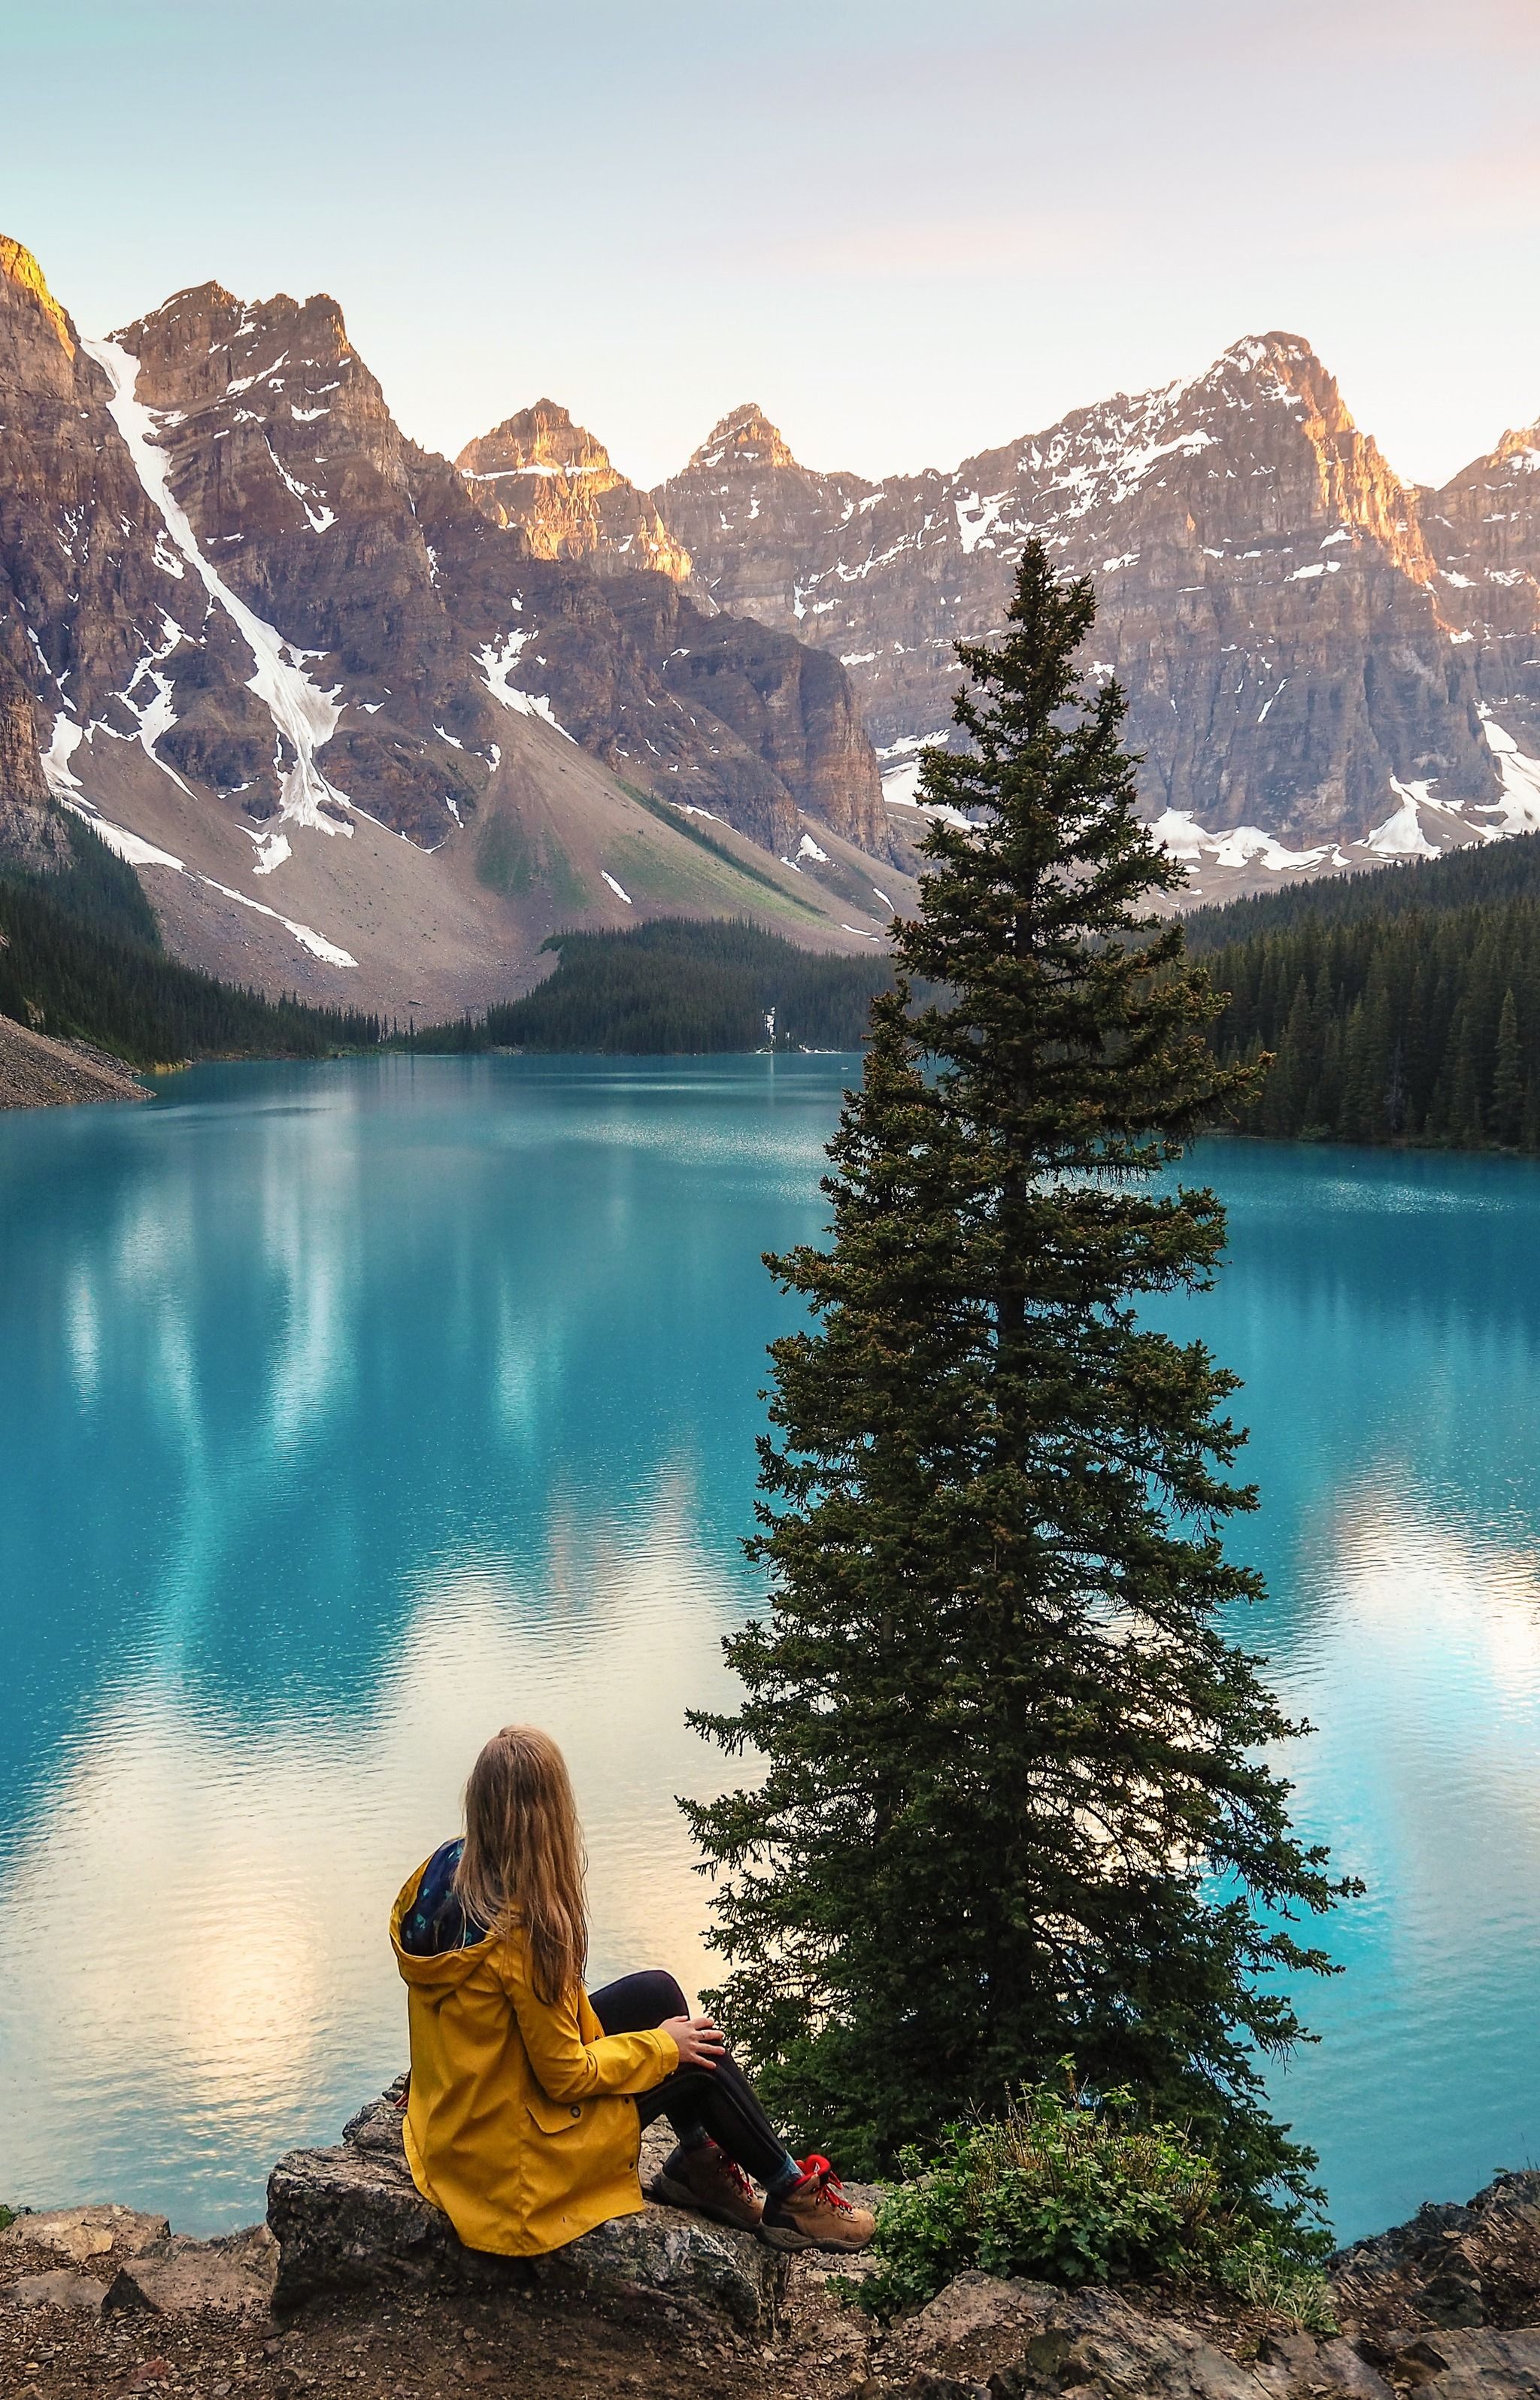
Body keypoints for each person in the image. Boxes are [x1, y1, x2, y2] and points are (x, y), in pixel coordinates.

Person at [390, 1723, 875, 2259]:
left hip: (461, 2120)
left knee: (658, 1993)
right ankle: (793, 2198)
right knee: (695, 2056)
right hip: (511, 2162)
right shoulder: (522, 1932)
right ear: (551, 1813)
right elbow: (565, 2075)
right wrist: (665, 2047)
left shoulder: (447, 1869)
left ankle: (697, 2163)